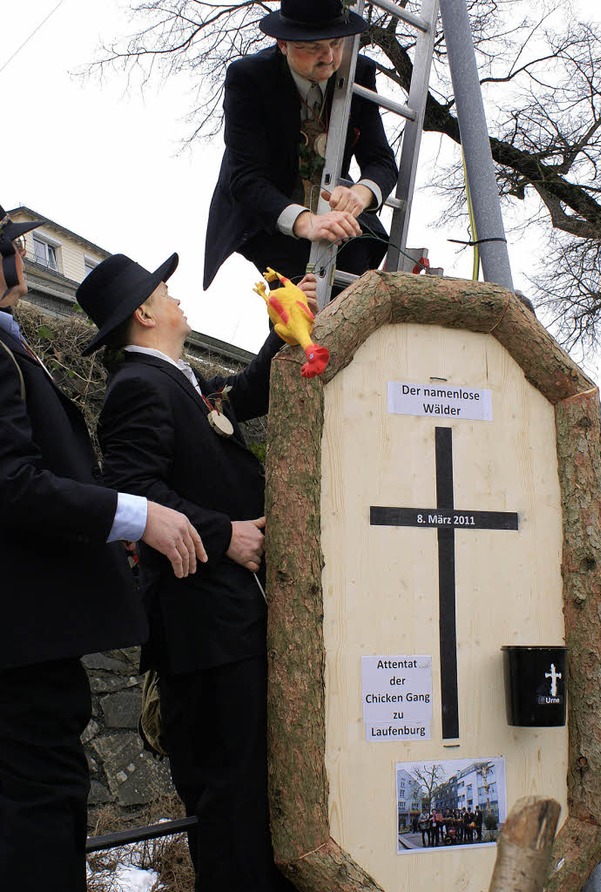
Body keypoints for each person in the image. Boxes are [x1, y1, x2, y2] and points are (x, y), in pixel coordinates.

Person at [0, 207, 207, 892]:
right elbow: (14, 484)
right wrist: (134, 515)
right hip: (22, 641)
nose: (24, 260)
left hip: (30, 636)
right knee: (42, 802)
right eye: (14, 248)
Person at [76, 251, 293, 892]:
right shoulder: (137, 388)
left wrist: (284, 326)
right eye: (165, 292)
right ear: (144, 314)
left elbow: (243, 397)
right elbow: (132, 488)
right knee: (231, 798)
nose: (177, 300)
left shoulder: (175, 377)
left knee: (248, 789)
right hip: (204, 632)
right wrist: (226, 535)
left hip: (224, 625)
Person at [203, 0, 398, 295]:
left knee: (352, 296)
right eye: (314, 47)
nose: (329, 57)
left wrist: (359, 194)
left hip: (333, 212)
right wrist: (306, 223)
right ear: (283, 43)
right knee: (296, 305)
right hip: (271, 214)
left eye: (336, 43)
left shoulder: (360, 72)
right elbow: (245, 179)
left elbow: (381, 160)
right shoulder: (249, 78)